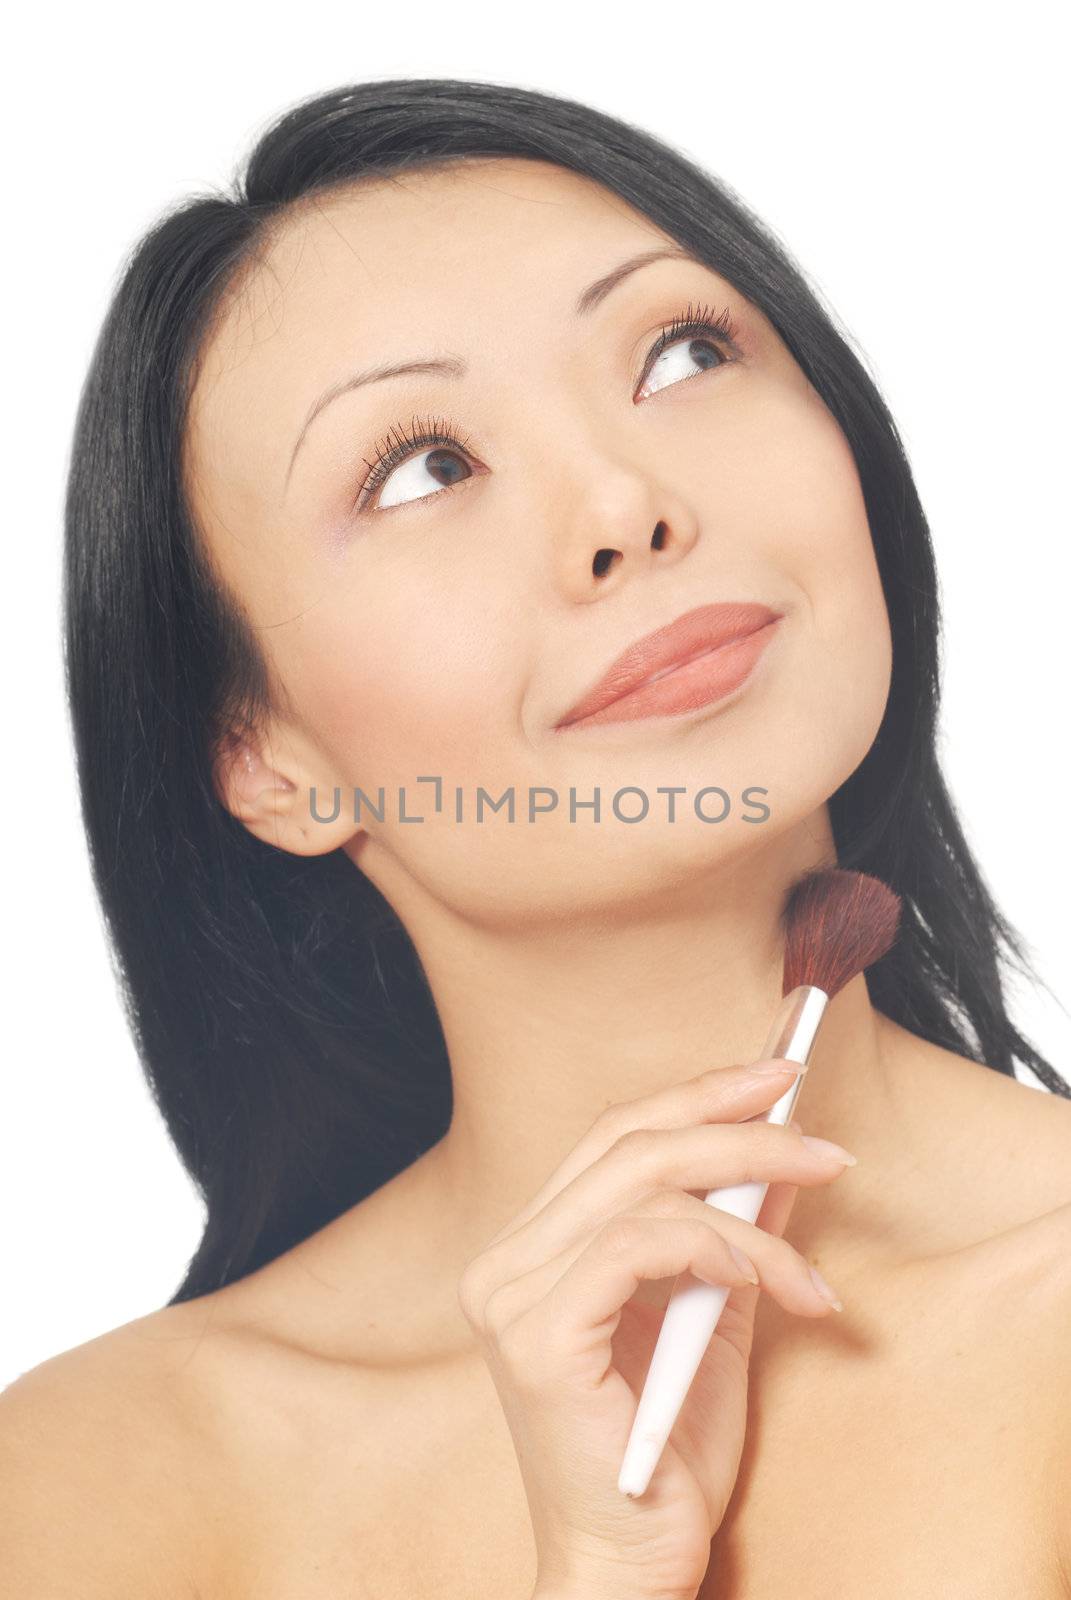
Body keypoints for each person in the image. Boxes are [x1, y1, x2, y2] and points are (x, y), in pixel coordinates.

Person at [3, 79, 1069, 1599]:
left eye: (683, 353)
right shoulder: (94, 1487)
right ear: (266, 756)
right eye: (425, 467)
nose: (624, 506)